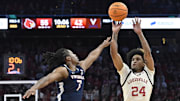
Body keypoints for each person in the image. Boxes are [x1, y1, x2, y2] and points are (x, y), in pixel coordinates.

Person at [23, 37, 111, 101]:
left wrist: (102, 45)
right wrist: (34, 88)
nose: (76, 55)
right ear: (68, 58)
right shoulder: (63, 71)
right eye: (73, 54)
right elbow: (47, 79)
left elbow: (92, 56)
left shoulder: (81, 67)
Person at [110, 18, 155, 101]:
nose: (134, 61)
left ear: (144, 63)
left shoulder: (148, 72)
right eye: (133, 59)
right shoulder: (126, 72)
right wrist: (115, 33)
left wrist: (140, 33)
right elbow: (114, 54)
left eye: (138, 59)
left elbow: (148, 54)